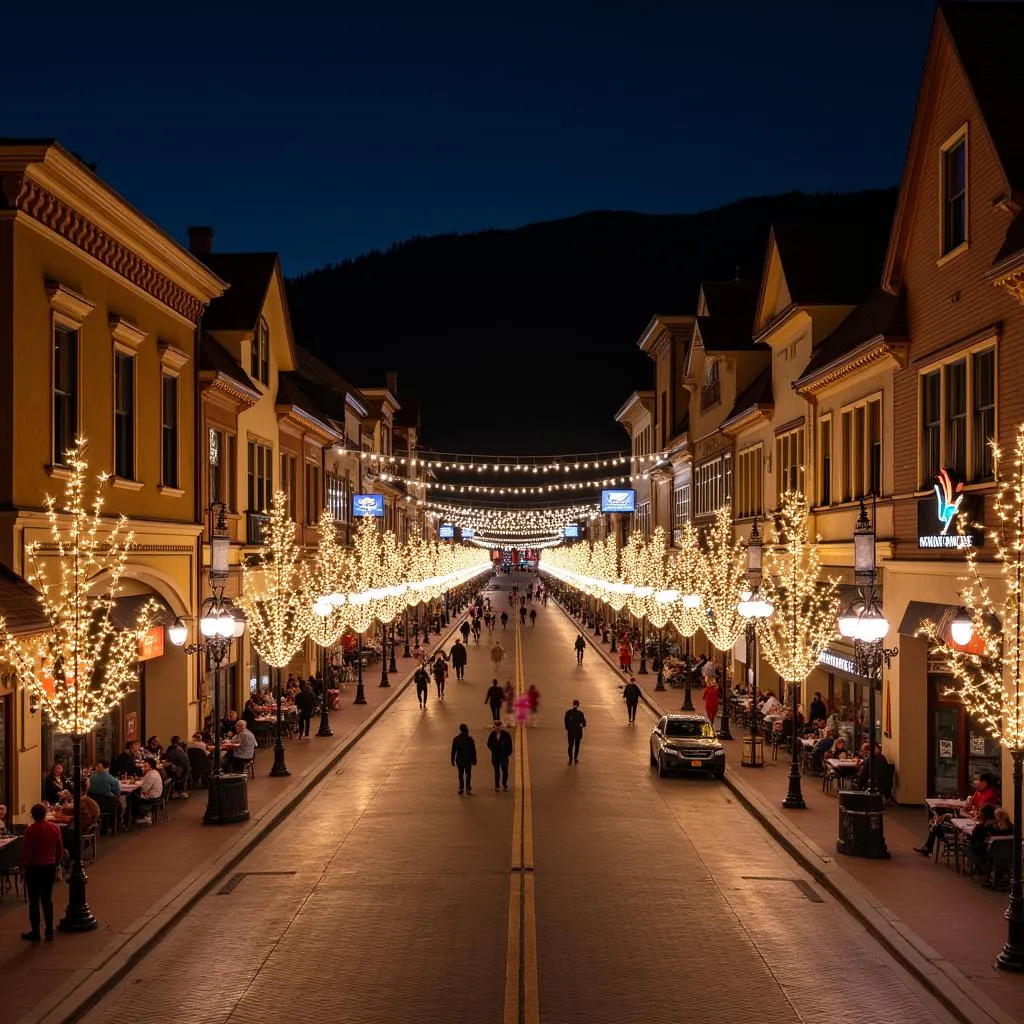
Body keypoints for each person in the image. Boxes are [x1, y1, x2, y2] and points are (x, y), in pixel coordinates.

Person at [916, 772, 1000, 856]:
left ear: (984, 783)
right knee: (943, 818)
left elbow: (981, 811)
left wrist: (970, 810)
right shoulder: (978, 791)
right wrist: (968, 805)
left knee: (941, 821)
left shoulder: (990, 794)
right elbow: (970, 805)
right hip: (972, 816)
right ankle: (933, 839)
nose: (975, 782)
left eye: (977, 780)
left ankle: (935, 840)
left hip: (980, 820)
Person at [19, 803, 63, 942]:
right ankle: (49, 931)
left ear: (32, 815)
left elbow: (26, 852)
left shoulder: (31, 830)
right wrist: (56, 862)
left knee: (34, 901)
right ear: (45, 814)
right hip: (49, 866)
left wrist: (22, 867)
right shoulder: (54, 828)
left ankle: (36, 931)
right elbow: (60, 848)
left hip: (34, 868)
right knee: (47, 899)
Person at [487, 720, 514, 791]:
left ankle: (504, 784)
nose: (497, 727)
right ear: (495, 726)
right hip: (495, 756)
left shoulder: (506, 734)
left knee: (505, 770)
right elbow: (488, 744)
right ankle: (497, 785)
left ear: (501, 726)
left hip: (504, 756)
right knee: (497, 772)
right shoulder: (492, 734)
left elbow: (509, 745)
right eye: (496, 726)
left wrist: (507, 753)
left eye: (499, 726)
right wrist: (493, 749)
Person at [450, 724, 477, 795]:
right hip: (468, 760)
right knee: (468, 774)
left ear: (460, 730)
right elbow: (473, 751)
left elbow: (453, 751)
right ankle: (468, 788)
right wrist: (474, 760)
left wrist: (452, 760)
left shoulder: (456, 739)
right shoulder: (470, 739)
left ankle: (461, 788)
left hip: (459, 760)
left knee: (460, 774)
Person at [564, 699, 587, 764]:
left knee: (571, 745)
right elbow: (584, 723)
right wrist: (581, 725)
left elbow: (565, 721)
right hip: (577, 732)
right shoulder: (580, 713)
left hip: (571, 732)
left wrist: (568, 728)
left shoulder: (568, 712)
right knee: (576, 746)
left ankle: (570, 758)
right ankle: (575, 758)